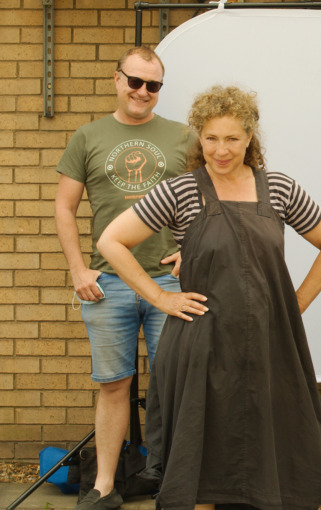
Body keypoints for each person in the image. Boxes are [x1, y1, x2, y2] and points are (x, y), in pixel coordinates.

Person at [98, 85, 321, 510]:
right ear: (199, 138)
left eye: (232, 138)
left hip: (269, 347)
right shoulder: (181, 191)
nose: (221, 149)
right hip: (202, 348)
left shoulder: (278, 188)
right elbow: (112, 241)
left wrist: (294, 304)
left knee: (272, 449)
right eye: (211, 138)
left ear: (250, 138)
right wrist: (161, 297)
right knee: (202, 458)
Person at [54, 46, 189, 510]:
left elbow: (212, 200)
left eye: (153, 85)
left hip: (168, 285)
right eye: (135, 82)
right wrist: (77, 268)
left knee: (173, 385)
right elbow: (64, 208)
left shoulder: (184, 137)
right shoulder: (88, 136)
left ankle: (174, 482)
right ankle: (105, 485)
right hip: (107, 281)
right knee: (113, 384)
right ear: (117, 80)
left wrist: (189, 250)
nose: (143, 92)